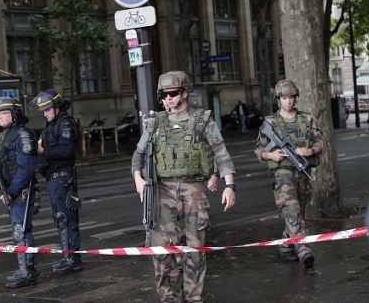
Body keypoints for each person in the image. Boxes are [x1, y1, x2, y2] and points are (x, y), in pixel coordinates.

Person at [131, 71, 237, 303]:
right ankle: (170, 298)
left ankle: (193, 298)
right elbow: (138, 155)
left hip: (193, 191)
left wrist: (230, 185)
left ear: (185, 92)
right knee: (161, 252)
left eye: (172, 93)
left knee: (194, 251)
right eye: (163, 95)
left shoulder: (202, 120)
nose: (167, 98)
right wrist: (139, 179)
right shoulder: (155, 123)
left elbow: (221, 154)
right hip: (161, 194)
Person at [254, 79, 323, 267]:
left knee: (299, 213)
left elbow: (321, 143)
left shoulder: (307, 119)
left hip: (303, 171)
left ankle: (286, 245)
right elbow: (259, 150)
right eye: (284, 98)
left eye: (291, 97)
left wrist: (310, 151)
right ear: (279, 99)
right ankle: (304, 250)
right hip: (283, 174)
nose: (288, 101)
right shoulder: (271, 122)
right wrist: (271, 154)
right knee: (291, 210)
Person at [28, 89, 82, 274]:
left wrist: (43, 152)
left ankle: (72, 258)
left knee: (66, 218)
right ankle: (68, 256)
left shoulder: (65, 123)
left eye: (47, 109)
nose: (44, 113)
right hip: (53, 178)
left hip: (62, 178)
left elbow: (66, 151)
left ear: (57, 107)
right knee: (60, 220)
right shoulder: (51, 125)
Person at [0, 97, 38, 288]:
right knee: (19, 229)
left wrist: (12, 191)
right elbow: (6, 164)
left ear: (14, 115)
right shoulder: (10, 134)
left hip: (21, 189)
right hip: (13, 189)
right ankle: (25, 268)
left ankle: (27, 271)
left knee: (21, 230)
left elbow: (26, 168)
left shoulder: (23, 134)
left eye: (3, 114)